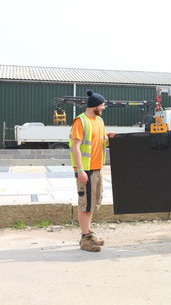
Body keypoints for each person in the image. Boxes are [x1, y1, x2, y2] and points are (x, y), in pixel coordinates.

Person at [69, 90, 116, 252]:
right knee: (85, 205)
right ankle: (85, 239)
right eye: (102, 105)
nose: (103, 108)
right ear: (94, 106)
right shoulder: (80, 122)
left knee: (93, 204)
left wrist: (109, 138)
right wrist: (80, 170)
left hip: (97, 169)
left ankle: (88, 234)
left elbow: (101, 143)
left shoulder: (100, 121)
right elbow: (75, 147)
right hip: (86, 171)